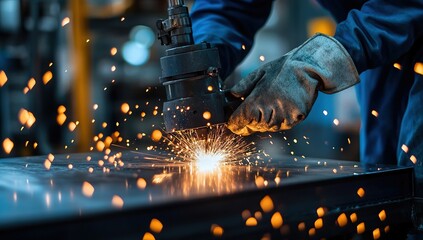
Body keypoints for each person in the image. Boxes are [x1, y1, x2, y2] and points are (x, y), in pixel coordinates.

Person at [190, 0, 423, 167]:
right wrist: (201, 58)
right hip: (382, 60)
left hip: (394, 26)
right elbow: (230, 6)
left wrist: (320, 61)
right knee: (385, 177)